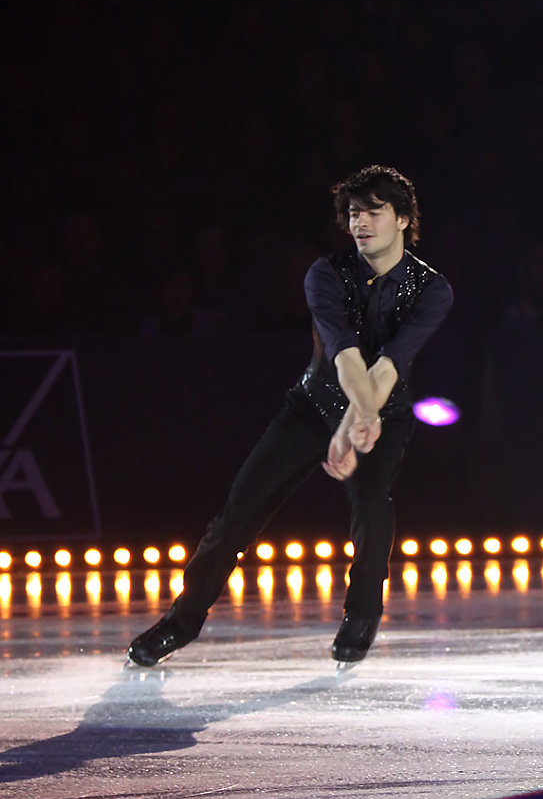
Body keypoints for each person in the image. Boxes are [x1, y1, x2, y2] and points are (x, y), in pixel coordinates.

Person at [126, 165, 454, 668]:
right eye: (352, 213)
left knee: (373, 508)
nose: (360, 222)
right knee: (237, 515)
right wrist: (347, 424)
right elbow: (345, 356)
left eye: (373, 211)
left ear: (405, 218)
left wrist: (359, 425)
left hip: (383, 411)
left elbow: (389, 364)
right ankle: (181, 621)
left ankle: (362, 617)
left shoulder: (432, 290)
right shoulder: (325, 275)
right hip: (313, 406)